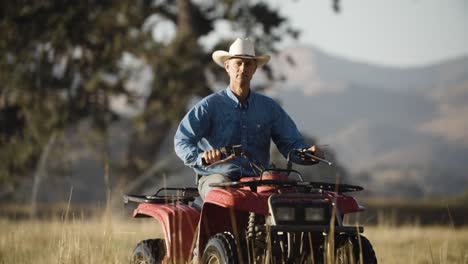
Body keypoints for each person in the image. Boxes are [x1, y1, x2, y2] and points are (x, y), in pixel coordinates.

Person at [174, 38, 322, 199]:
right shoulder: (208, 106)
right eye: (238, 63)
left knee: (288, 198)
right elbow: (182, 141)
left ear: (254, 69)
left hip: (260, 178)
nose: (243, 68)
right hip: (216, 177)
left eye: (248, 64)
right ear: (227, 66)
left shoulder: (269, 108)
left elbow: (291, 144)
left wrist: (307, 154)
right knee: (224, 194)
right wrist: (201, 157)